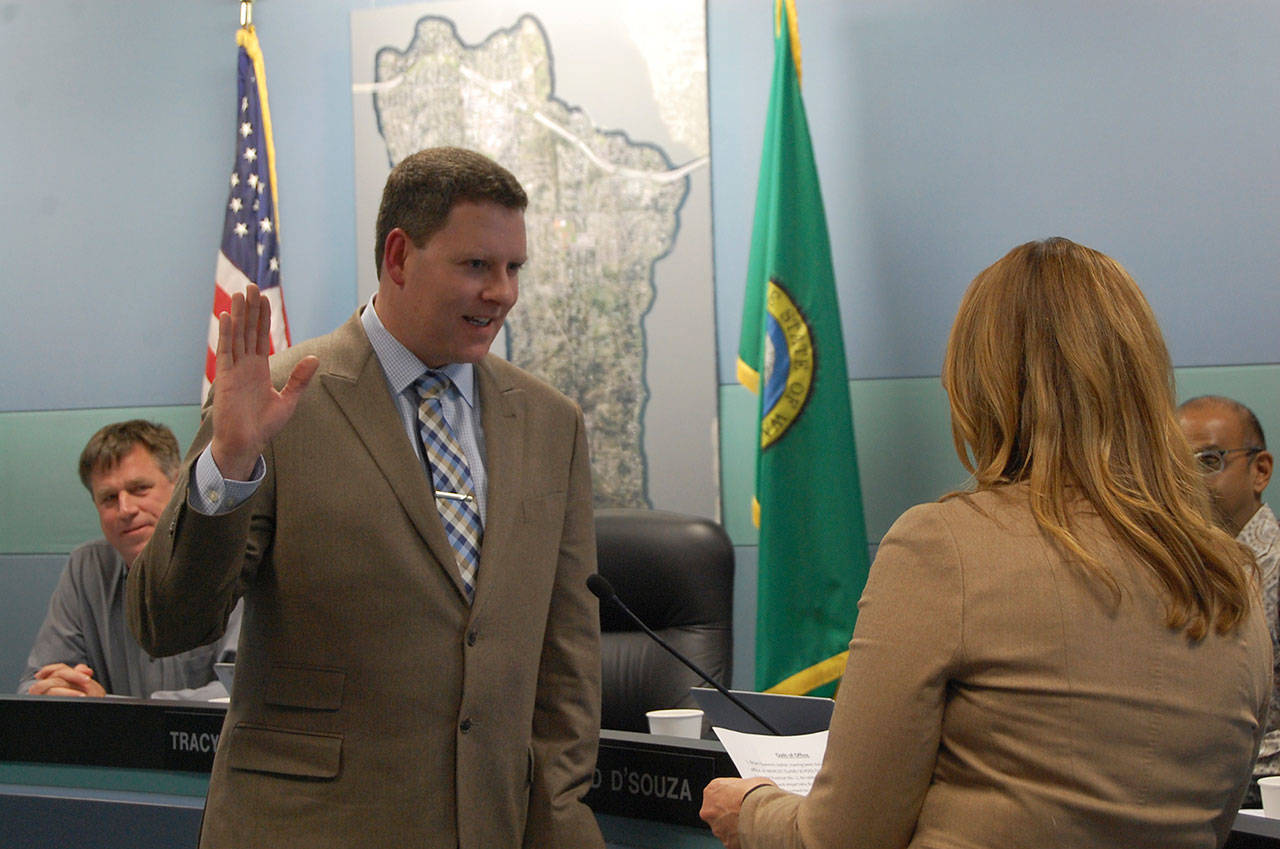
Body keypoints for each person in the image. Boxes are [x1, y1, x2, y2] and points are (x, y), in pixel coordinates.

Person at [701, 237, 1270, 848]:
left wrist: (752, 807)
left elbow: (844, 838)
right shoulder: (1230, 572)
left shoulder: (944, 547)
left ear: (980, 385)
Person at [127, 147, 603, 849]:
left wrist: (561, 830)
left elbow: (566, 665)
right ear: (400, 257)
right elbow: (167, 620)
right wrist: (229, 460)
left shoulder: (549, 422)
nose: (501, 292)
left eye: (513, 269)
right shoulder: (279, 396)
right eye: (476, 266)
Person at [19, 420, 238, 699]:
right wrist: (62, 689)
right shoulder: (86, 569)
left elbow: (240, 692)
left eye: (139, 488)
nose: (126, 509)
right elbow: (33, 685)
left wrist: (109, 707)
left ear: (177, 484)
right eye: (109, 498)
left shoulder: (226, 560)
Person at [1178, 395, 1278, 806]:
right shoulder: (1174, 569)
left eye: (1208, 461)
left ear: (1260, 471)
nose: (1186, 482)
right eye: (1173, 466)